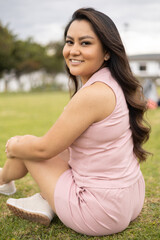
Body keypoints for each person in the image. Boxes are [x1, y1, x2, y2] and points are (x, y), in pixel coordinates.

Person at [0, 8, 150, 236]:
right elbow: (62, 147)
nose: (73, 51)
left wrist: (13, 146)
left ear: (107, 52)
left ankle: (4, 180)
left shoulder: (93, 94)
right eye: (70, 42)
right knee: (59, 149)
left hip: (99, 211)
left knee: (26, 144)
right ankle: (32, 194)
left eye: (86, 43)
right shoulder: (114, 82)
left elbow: (43, 149)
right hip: (129, 198)